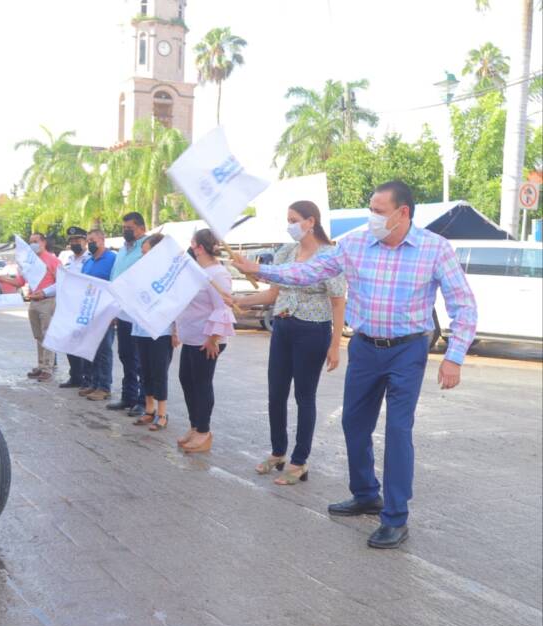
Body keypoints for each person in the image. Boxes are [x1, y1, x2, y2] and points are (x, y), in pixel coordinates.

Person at [231, 180, 477, 549]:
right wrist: (261, 270)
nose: (372, 218)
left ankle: (395, 517)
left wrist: (454, 357)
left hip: (407, 350)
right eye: (371, 210)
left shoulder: (434, 249)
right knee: (354, 423)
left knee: (397, 429)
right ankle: (365, 494)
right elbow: (308, 272)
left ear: (402, 212)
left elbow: (464, 305)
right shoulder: (355, 244)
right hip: (364, 347)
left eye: (379, 211)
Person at [234, 201, 347, 486]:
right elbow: (272, 294)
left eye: (294, 219)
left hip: (312, 331)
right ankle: (277, 452)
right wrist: (240, 301)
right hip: (282, 327)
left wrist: (335, 344)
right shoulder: (286, 251)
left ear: (311, 221)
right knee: (276, 393)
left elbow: (337, 302)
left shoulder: (329, 256)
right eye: (288, 219)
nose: (290, 225)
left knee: (304, 396)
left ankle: (299, 462)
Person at [175, 229, 235, 454]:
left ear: (199, 247)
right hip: (191, 337)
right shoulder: (198, 271)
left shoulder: (217, 274)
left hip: (207, 338)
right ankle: (194, 425)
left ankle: (204, 431)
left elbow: (222, 308)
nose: (191, 247)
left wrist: (213, 339)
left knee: (201, 383)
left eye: (193, 244)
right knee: (186, 380)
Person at [0, 232, 61, 382]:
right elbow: (20, 282)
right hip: (33, 302)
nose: (33, 244)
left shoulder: (53, 261)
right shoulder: (29, 262)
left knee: (47, 336)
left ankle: (47, 369)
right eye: (30, 242)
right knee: (38, 336)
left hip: (48, 301)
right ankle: (40, 366)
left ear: (43, 242)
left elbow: (61, 283)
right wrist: (3, 279)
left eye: (36, 241)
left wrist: (44, 293)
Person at [108, 211, 148, 417]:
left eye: (129, 228)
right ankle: (128, 396)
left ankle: (143, 400)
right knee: (125, 356)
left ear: (141, 228)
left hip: (139, 312)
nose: (125, 231)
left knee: (141, 359)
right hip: (122, 312)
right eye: (123, 228)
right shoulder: (123, 250)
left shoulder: (148, 247)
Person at [132, 234, 174, 431]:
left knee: (159, 372)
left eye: (146, 252)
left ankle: (162, 413)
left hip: (161, 331)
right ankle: (149, 410)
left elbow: (176, 303)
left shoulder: (169, 274)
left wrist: (176, 331)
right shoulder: (140, 271)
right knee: (144, 371)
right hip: (141, 328)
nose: (143, 256)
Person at [77, 228, 118, 401]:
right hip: (89, 312)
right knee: (90, 349)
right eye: (88, 240)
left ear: (102, 240)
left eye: (93, 240)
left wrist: (114, 313)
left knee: (103, 351)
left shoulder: (112, 259)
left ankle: (104, 386)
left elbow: (117, 286)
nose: (90, 243)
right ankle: (93, 383)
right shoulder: (88, 262)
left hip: (105, 313)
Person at [58, 226, 91, 389]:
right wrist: (44, 292)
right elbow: (61, 282)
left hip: (84, 308)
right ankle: (75, 376)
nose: (74, 243)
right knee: (70, 344)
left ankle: (87, 378)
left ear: (85, 241)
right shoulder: (69, 260)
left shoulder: (90, 259)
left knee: (83, 345)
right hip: (69, 308)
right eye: (72, 241)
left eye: (78, 240)